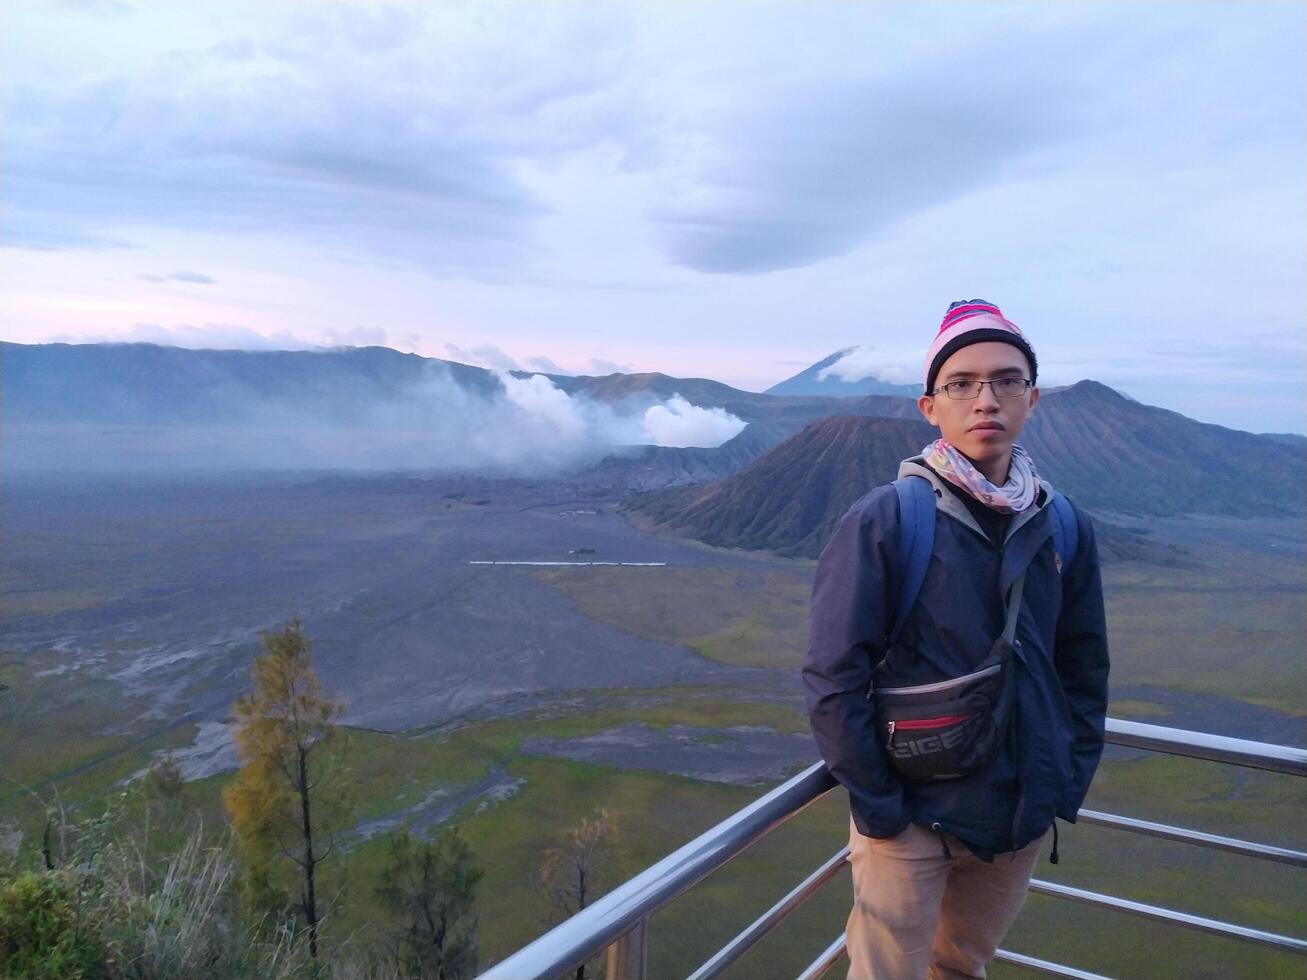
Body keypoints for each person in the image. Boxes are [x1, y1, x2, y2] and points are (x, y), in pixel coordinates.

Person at [802, 299, 1110, 980]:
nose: (985, 399)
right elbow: (832, 673)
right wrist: (882, 812)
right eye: (961, 383)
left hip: (1018, 820)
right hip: (911, 819)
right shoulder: (886, 520)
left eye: (1005, 381)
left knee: (960, 969)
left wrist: (1063, 782)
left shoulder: (1063, 525)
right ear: (928, 406)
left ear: (1030, 399)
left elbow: (1082, 665)